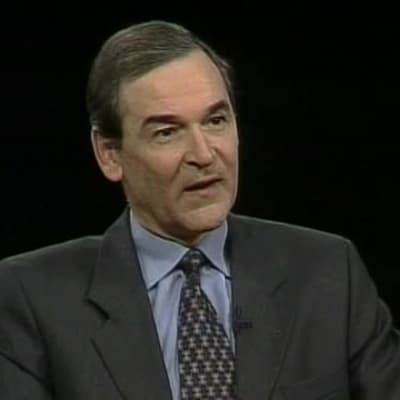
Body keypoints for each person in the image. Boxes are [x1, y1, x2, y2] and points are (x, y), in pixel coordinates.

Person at [0, 20, 399, 400]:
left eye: (215, 120)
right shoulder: (30, 298)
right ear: (109, 153)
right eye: (167, 132)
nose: (204, 154)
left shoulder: (330, 273)